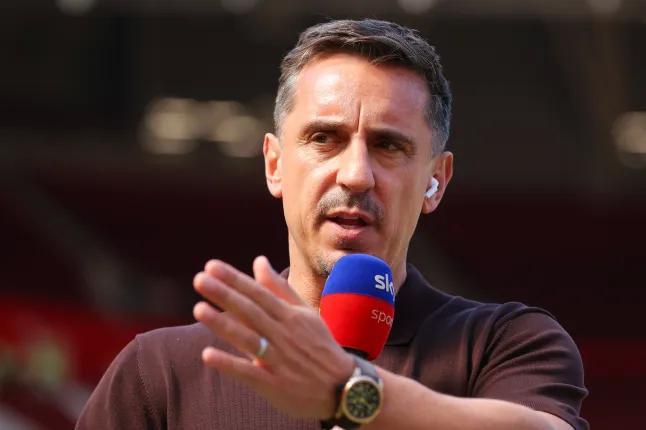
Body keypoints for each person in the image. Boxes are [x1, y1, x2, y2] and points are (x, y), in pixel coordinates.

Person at [76, 19, 588, 430]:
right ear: (275, 164)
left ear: (436, 181)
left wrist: (349, 390)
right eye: (324, 138)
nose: (356, 174)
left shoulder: (505, 345)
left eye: (388, 145)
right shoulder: (161, 373)